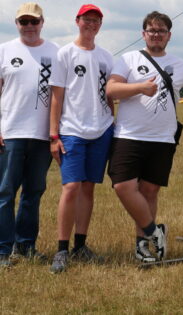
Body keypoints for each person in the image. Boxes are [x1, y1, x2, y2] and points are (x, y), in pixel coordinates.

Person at [106, 11, 183, 263]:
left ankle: (143, 246)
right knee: (123, 186)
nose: (156, 35)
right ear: (143, 34)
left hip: (162, 138)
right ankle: (154, 232)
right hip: (129, 136)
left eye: (161, 31)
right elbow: (112, 89)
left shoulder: (179, 63)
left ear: (169, 36)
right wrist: (140, 87)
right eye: (152, 30)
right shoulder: (128, 59)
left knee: (149, 191)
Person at [49, 4, 114, 273]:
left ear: (100, 25)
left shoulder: (106, 57)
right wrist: (54, 135)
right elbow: (57, 96)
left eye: (96, 20)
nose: (91, 24)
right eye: (86, 19)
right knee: (71, 187)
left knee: (88, 188)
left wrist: (114, 123)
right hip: (72, 130)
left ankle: (81, 246)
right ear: (77, 21)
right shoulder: (64, 53)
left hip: (101, 130)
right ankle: (61, 250)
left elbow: (109, 95)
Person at [0, 2, 58, 267]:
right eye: (24, 22)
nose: (29, 27)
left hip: (42, 136)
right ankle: (3, 250)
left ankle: (26, 246)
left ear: (42, 22)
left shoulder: (55, 52)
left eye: (34, 21)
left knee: (33, 191)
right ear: (17, 24)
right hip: (9, 133)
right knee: (5, 192)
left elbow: (61, 94)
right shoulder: (4, 51)